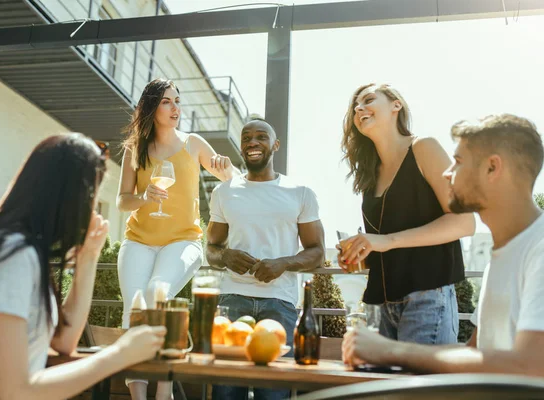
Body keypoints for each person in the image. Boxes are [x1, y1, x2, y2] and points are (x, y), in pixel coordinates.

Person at [0, 134, 166, 400]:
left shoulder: (23, 252)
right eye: (91, 196)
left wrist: (89, 258)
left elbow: (64, 341)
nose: (93, 209)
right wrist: (118, 355)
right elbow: (13, 391)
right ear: (67, 197)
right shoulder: (10, 256)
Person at [342, 114, 544, 377]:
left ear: (492, 168)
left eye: (457, 162)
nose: (447, 173)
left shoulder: (538, 248)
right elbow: (474, 354)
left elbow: (533, 365)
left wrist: (390, 351)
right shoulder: (505, 252)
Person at [116, 78, 240, 399]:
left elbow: (229, 177)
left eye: (177, 101)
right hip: (138, 240)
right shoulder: (135, 149)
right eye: (167, 102)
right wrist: (143, 196)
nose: (176, 108)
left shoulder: (192, 143)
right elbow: (122, 201)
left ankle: (164, 391)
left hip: (184, 241)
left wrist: (226, 169)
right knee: (135, 308)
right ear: (152, 108)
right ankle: (138, 396)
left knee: (159, 292)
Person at [338, 83, 475, 344]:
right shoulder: (370, 173)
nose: (359, 108)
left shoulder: (424, 147)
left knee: (416, 386)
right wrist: (361, 253)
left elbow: (464, 221)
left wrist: (386, 241)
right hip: (378, 307)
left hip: (426, 299)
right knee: (383, 386)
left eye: (368, 100)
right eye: (355, 107)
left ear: (395, 105)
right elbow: (387, 243)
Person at [206, 119, 325, 400]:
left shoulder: (300, 192)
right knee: (225, 393)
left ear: (275, 145)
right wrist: (224, 255)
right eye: (247, 137)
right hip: (231, 303)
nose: (253, 142)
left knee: (274, 395)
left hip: (280, 304)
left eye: (261, 136)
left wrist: (283, 263)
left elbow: (317, 251)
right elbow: (210, 249)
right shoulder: (223, 192)